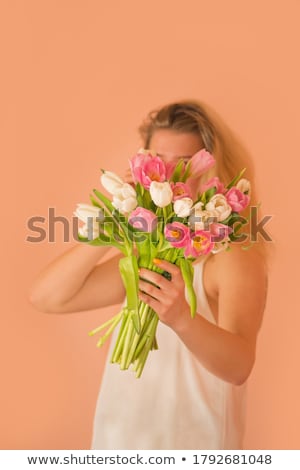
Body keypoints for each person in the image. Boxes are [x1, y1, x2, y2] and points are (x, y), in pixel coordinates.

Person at [29, 100, 268, 450]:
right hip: (119, 442)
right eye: (159, 162)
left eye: (185, 164)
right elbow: (47, 297)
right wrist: (116, 215)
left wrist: (182, 320)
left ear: (214, 172)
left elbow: (239, 367)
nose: (170, 177)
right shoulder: (145, 255)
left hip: (190, 444)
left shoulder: (232, 258)